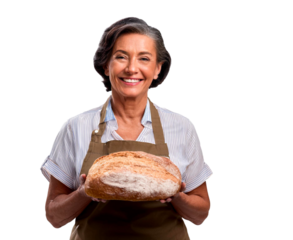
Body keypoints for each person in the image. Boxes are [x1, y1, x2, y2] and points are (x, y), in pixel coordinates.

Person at [38, 16, 214, 240]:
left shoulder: (182, 127)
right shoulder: (75, 127)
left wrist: (176, 195)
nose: (132, 69)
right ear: (106, 64)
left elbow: (200, 216)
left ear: (157, 68)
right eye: (121, 57)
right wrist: (85, 192)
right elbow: (54, 217)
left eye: (144, 58)